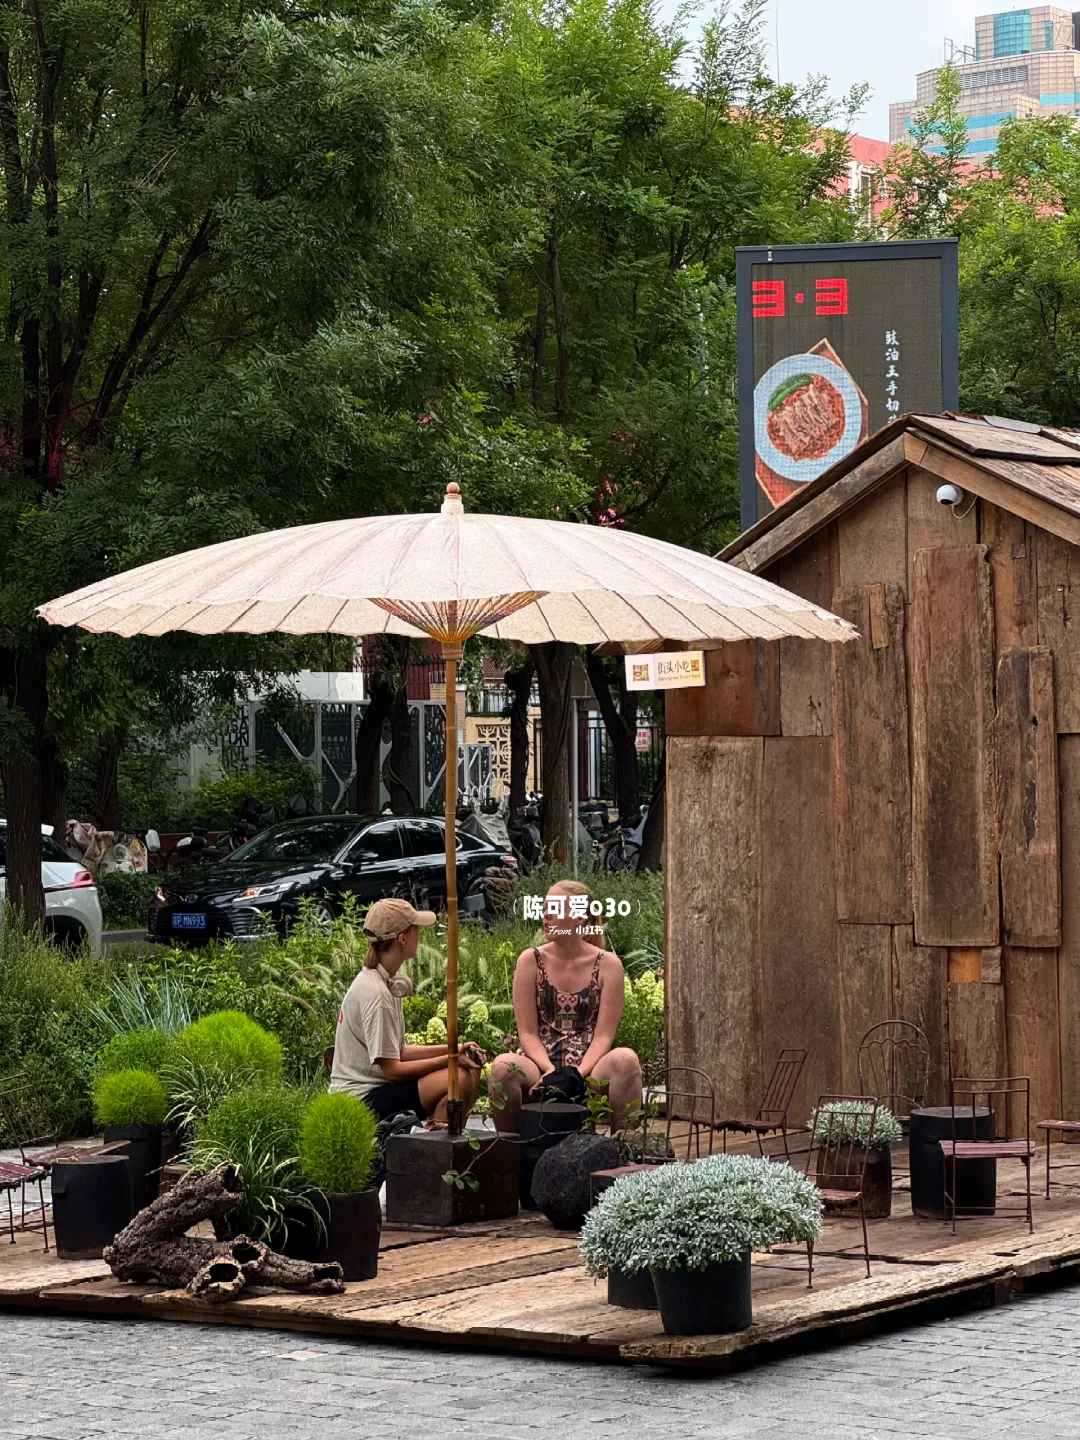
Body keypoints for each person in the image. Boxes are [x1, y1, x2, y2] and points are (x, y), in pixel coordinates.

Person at [489, 879, 642, 1134]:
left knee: (626, 1060)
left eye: (555, 908)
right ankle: (509, 1151)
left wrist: (577, 1075)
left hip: (590, 1069)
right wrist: (551, 1072)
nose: (546, 915)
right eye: (544, 908)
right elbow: (528, 1033)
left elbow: (604, 1036)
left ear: (580, 917)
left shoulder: (608, 965)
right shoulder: (530, 960)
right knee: (503, 1067)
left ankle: (624, 1149)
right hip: (539, 1066)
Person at [329, 897, 484, 1124]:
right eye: (416, 929)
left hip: (376, 1091)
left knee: (469, 1070)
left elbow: (398, 1052)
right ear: (402, 939)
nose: (419, 935)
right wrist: (451, 1059)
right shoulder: (377, 994)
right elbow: (393, 1072)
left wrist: (456, 1048)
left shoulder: (385, 982)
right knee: (458, 1079)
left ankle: (435, 1135)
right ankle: (429, 1144)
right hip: (359, 1101)